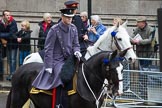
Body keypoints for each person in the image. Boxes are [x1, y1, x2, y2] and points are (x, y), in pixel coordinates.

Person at [32, 8, 82, 107]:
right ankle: (58, 103)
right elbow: (48, 48)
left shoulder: (73, 28)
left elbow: (76, 44)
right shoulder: (54, 29)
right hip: (56, 59)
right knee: (61, 74)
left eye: (71, 18)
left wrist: (77, 51)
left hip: (70, 58)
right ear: (62, 17)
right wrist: (49, 65)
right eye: (67, 17)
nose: (70, 20)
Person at [0, 10, 18, 81]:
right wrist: (2, 38)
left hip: (13, 43)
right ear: (3, 16)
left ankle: (13, 74)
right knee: (9, 60)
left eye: (9, 15)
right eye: (7, 15)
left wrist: (2, 35)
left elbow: (11, 34)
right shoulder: (1, 23)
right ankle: (11, 74)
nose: (8, 16)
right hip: (6, 44)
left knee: (13, 60)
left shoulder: (13, 22)